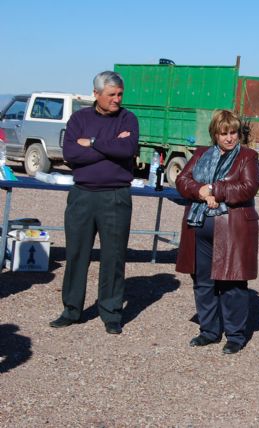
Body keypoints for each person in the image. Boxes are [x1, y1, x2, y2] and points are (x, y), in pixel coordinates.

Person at [49, 71, 139, 335]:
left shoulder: (128, 119)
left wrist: (93, 143)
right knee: (77, 253)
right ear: (96, 94)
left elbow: (127, 150)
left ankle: (111, 312)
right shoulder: (79, 119)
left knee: (114, 255)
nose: (117, 99)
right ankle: (72, 309)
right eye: (111, 95)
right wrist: (109, 148)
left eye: (120, 94)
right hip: (83, 195)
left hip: (115, 195)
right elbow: (71, 154)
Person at [175, 109, 259, 354]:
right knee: (203, 282)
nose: (229, 138)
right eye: (224, 133)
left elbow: (248, 187)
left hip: (232, 229)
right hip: (199, 226)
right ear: (215, 134)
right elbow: (182, 180)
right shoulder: (201, 154)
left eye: (233, 132)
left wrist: (215, 190)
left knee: (232, 282)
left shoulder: (247, 157)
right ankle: (209, 330)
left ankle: (235, 335)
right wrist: (200, 191)